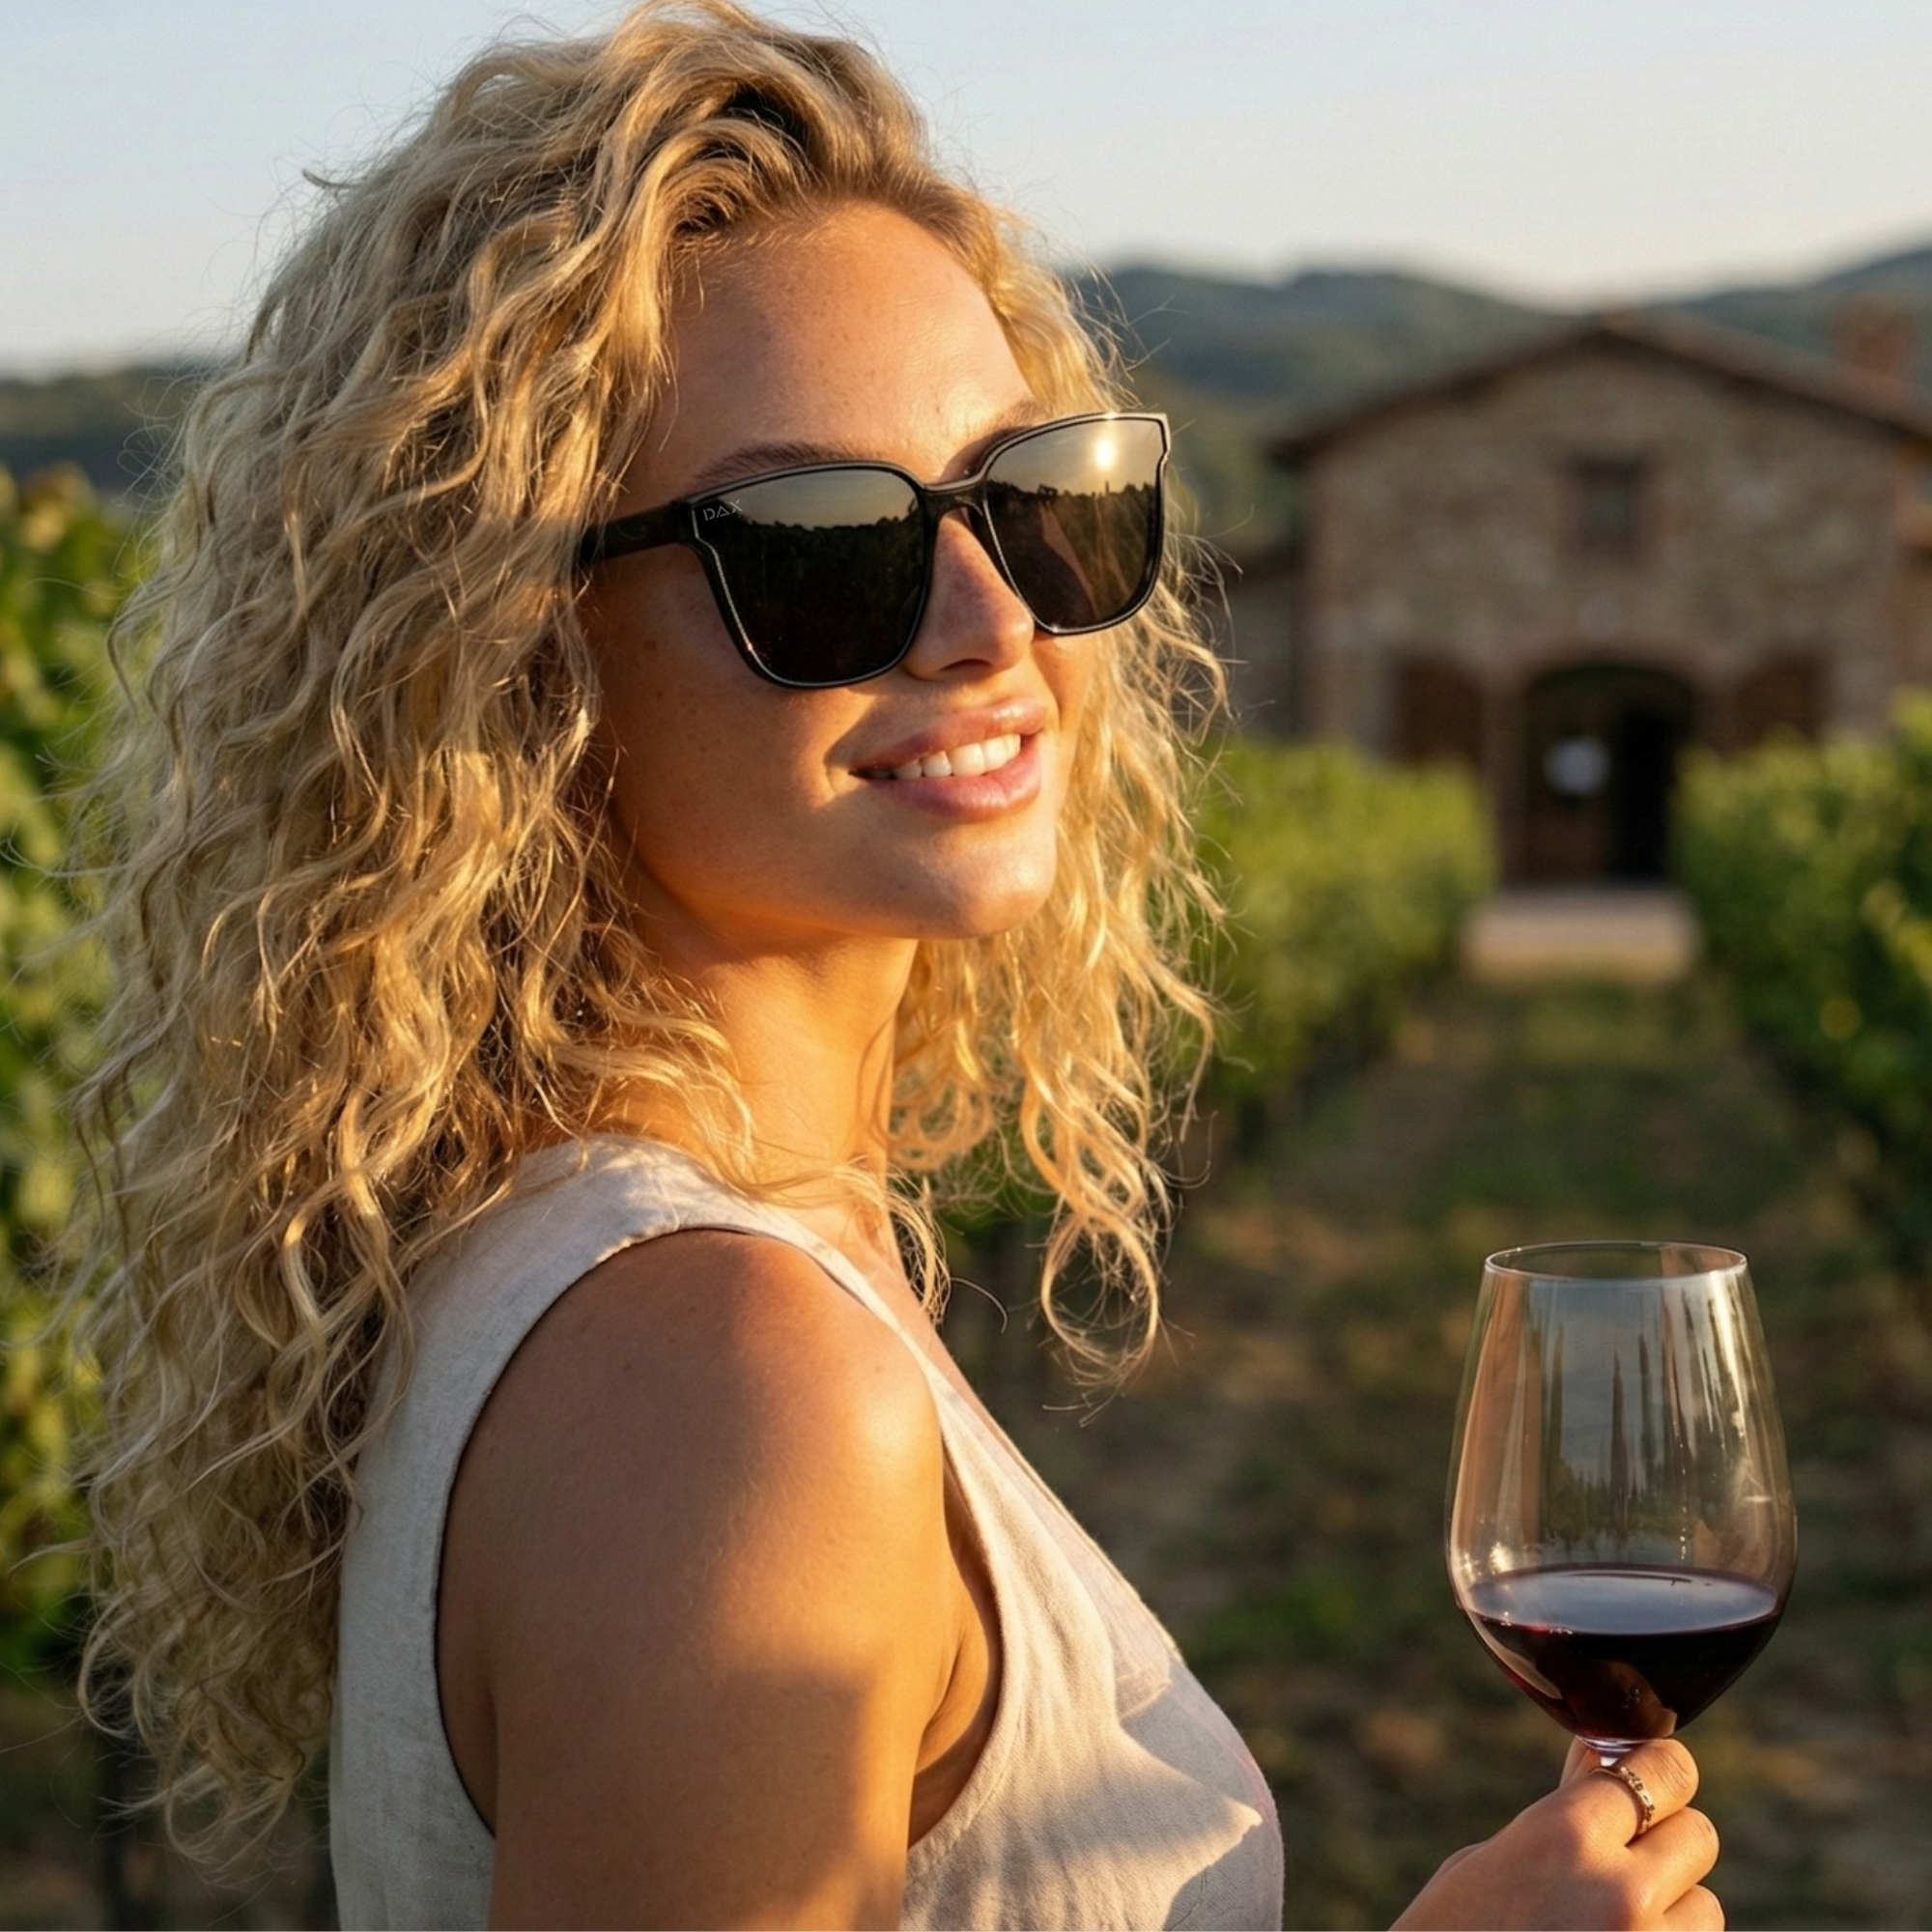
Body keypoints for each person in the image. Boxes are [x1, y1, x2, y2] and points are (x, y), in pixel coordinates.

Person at [72, 3, 1724, 1925]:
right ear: (512, 656)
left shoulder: (617, 1273)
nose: (988, 613)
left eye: (1038, 496)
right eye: (820, 545)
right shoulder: (727, 1391)